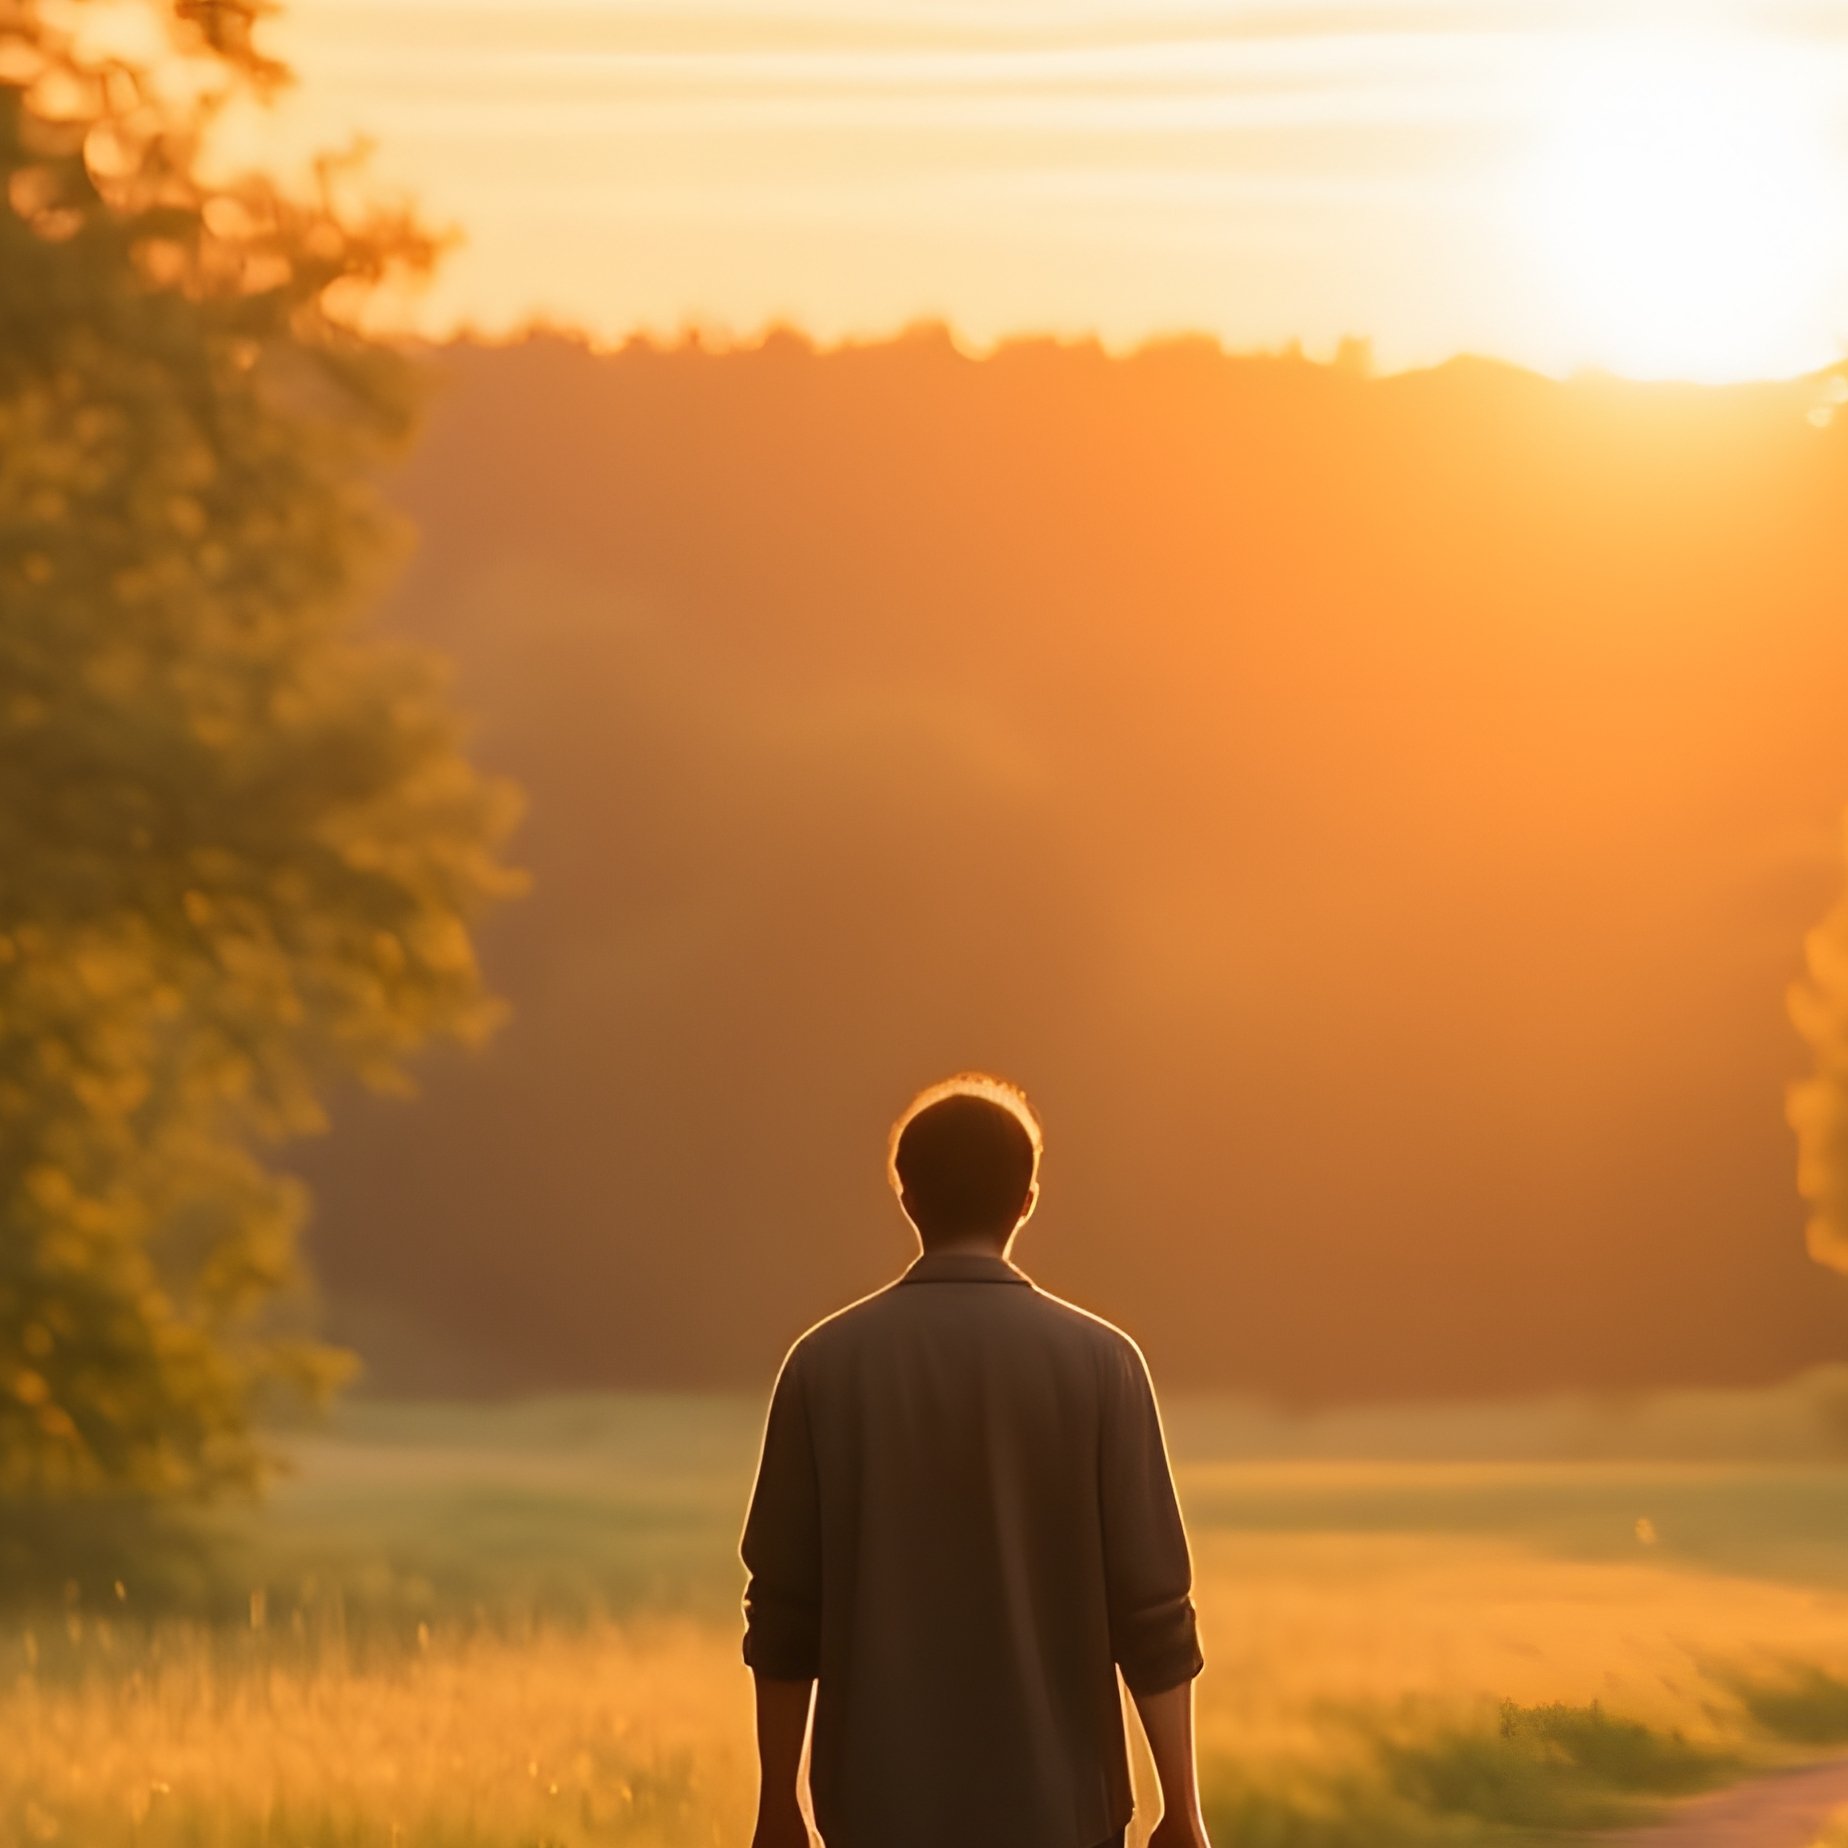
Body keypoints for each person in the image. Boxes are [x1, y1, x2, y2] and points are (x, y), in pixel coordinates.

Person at [739, 1072, 1211, 1848]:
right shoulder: (1105, 1365)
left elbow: (785, 1612)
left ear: (907, 1198)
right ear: (1027, 1200)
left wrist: (777, 1805)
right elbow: (1154, 1612)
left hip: (876, 1811)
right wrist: (1182, 1811)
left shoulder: (822, 1367)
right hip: (1064, 1814)